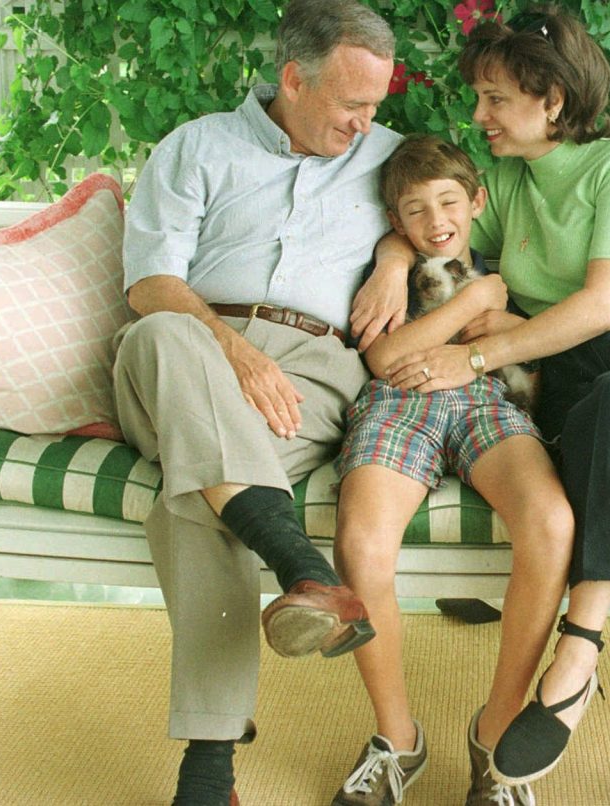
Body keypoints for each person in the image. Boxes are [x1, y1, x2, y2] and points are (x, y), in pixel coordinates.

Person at [380, 8, 610, 805]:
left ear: (552, 99)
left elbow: (604, 306)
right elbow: (433, 223)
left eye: (495, 98)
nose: (479, 116)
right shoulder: (505, 179)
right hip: (583, 384)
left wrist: (477, 354)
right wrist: (390, 258)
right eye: (479, 98)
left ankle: (579, 647)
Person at [112, 2, 408, 803]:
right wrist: (230, 349)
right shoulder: (198, 148)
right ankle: (302, 568)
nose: (365, 123)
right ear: (292, 78)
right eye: (351, 105)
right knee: (162, 336)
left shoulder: (388, 157)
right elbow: (150, 284)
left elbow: (451, 213)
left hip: (311, 373)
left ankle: (208, 773)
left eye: (375, 105)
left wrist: (397, 255)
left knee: (202, 494)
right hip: (187, 357)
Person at [331, 134, 574, 806]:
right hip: (399, 402)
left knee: (551, 522)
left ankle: (495, 739)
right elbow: (384, 360)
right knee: (360, 543)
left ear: (476, 200)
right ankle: (397, 741)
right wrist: (472, 303)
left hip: (486, 402)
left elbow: (529, 345)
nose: (436, 220)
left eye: (448, 202)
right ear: (395, 223)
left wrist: (501, 306)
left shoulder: (512, 268)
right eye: (415, 210)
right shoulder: (391, 277)